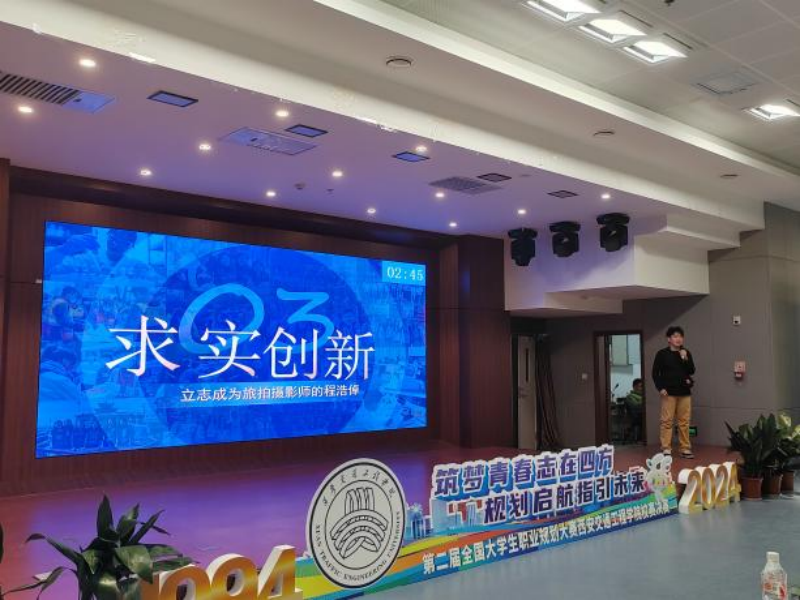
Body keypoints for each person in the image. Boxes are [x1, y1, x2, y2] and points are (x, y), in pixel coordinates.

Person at [652, 326, 696, 458]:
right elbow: (655, 373)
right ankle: (666, 448)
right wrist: (660, 388)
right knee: (667, 421)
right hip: (668, 393)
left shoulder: (685, 353)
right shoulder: (662, 354)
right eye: (675, 336)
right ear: (669, 339)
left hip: (684, 392)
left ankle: (685, 448)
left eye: (680, 336)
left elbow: (691, 370)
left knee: (684, 422)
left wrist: (685, 358)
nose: (678, 339)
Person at [624, 378, 644, 443]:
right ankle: (640, 439)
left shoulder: (644, 396)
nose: (642, 388)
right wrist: (644, 402)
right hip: (636, 417)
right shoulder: (630, 396)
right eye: (640, 386)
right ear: (634, 387)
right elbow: (635, 406)